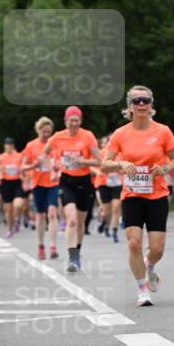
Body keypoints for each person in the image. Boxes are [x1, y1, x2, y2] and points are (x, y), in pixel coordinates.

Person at [102, 86, 174, 307]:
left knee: (157, 248)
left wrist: (165, 169)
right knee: (134, 243)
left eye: (146, 100)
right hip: (132, 195)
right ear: (130, 107)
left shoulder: (163, 131)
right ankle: (142, 289)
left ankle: (149, 265)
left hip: (157, 194)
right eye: (137, 101)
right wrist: (121, 164)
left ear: (151, 104)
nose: (142, 104)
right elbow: (105, 164)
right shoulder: (120, 134)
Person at [44, 106, 100, 272]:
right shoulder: (58, 137)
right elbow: (45, 153)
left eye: (76, 120)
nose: (73, 123)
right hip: (66, 181)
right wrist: (51, 169)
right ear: (65, 121)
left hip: (84, 181)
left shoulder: (88, 136)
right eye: (71, 120)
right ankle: (72, 257)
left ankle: (77, 251)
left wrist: (83, 161)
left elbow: (99, 160)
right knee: (72, 220)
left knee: (80, 222)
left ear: (80, 121)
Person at [21, 117, 60, 259]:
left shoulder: (55, 145)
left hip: (53, 183)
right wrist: (34, 165)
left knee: (52, 212)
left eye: (49, 132)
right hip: (38, 184)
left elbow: (61, 162)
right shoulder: (31, 146)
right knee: (41, 215)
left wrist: (57, 167)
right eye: (44, 131)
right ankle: (41, 245)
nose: (46, 134)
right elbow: (23, 167)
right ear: (38, 130)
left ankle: (53, 247)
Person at [0, 137, 25, 238]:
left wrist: (22, 172)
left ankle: (17, 220)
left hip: (17, 182)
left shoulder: (19, 156)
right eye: (7, 145)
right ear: (4, 146)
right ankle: (9, 228)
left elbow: (24, 168)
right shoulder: (1, 157)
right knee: (8, 209)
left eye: (11, 145)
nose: (9, 146)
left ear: (13, 146)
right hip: (5, 183)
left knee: (18, 204)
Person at [96, 135, 122, 242]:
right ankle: (104, 223)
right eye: (106, 142)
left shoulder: (120, 154)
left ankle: (114, 231)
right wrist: (98, 172)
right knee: (106, 211)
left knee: (116, 208)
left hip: (117, 183)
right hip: (104, 183)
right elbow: (93, 165)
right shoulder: (101, 153)